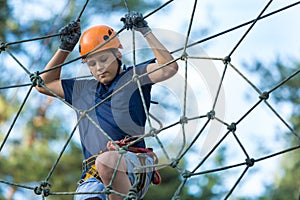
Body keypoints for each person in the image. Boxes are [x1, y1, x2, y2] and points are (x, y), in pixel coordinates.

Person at [35, 12, 178, 200]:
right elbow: (42, 84)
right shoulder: (82, 90)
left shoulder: (133, 78)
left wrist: (144, 30)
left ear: (118, 54)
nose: (99, 68)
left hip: (132, 165)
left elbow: (168, 68)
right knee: (91, 192)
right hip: (93, 175)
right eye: (92, 64)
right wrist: (64, 48)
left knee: (107, 161)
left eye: (103, 60)